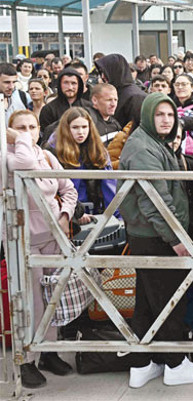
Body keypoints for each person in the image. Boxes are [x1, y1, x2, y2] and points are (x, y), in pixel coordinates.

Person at [118, 92, 193, 388]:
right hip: (155, 235)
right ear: (147, 116)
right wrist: (175, 238)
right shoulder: (143, 147)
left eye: (170, 115)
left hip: (151, 233)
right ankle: (174, 364)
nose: (166, 120)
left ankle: (142, 363)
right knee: (169, 300)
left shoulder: (154, 143)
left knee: (148, 301)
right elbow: (154, 200)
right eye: (159, 114)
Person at [6, 109, 79, 389]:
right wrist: (17, 138)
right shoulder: (9, 157)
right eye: (20, 127)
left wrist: (64, 214)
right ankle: (26, 360)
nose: (28, 131)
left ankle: (49, 353)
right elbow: (23, 160)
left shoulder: (47, 156)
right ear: (9, 131)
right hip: (23, 242)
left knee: (53, 298)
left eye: (32, 127)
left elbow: (69, 189)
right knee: (29, 305)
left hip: (53, 240)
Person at [49, 107, 117, 220]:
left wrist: (116, 217)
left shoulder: (99, 150)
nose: (81, 132)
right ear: (66, 128)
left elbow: (110, 187)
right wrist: (76, 213)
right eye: (75, 127)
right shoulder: (53, 151)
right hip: (63, 214)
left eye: (84, 127)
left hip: (95, 212)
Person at [96, 54, 147, 128]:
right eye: (101, 72)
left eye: (106, 72)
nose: (103, 76)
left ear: (116, 71)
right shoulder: (118, 91)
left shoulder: (135, 97)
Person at [39, 67, 93, 134]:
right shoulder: (48, 109)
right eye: (66, 83)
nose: (70, 87)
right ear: (60, 84)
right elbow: (47, 136)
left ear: (79, 85)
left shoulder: (89, 107)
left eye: (73, 83)